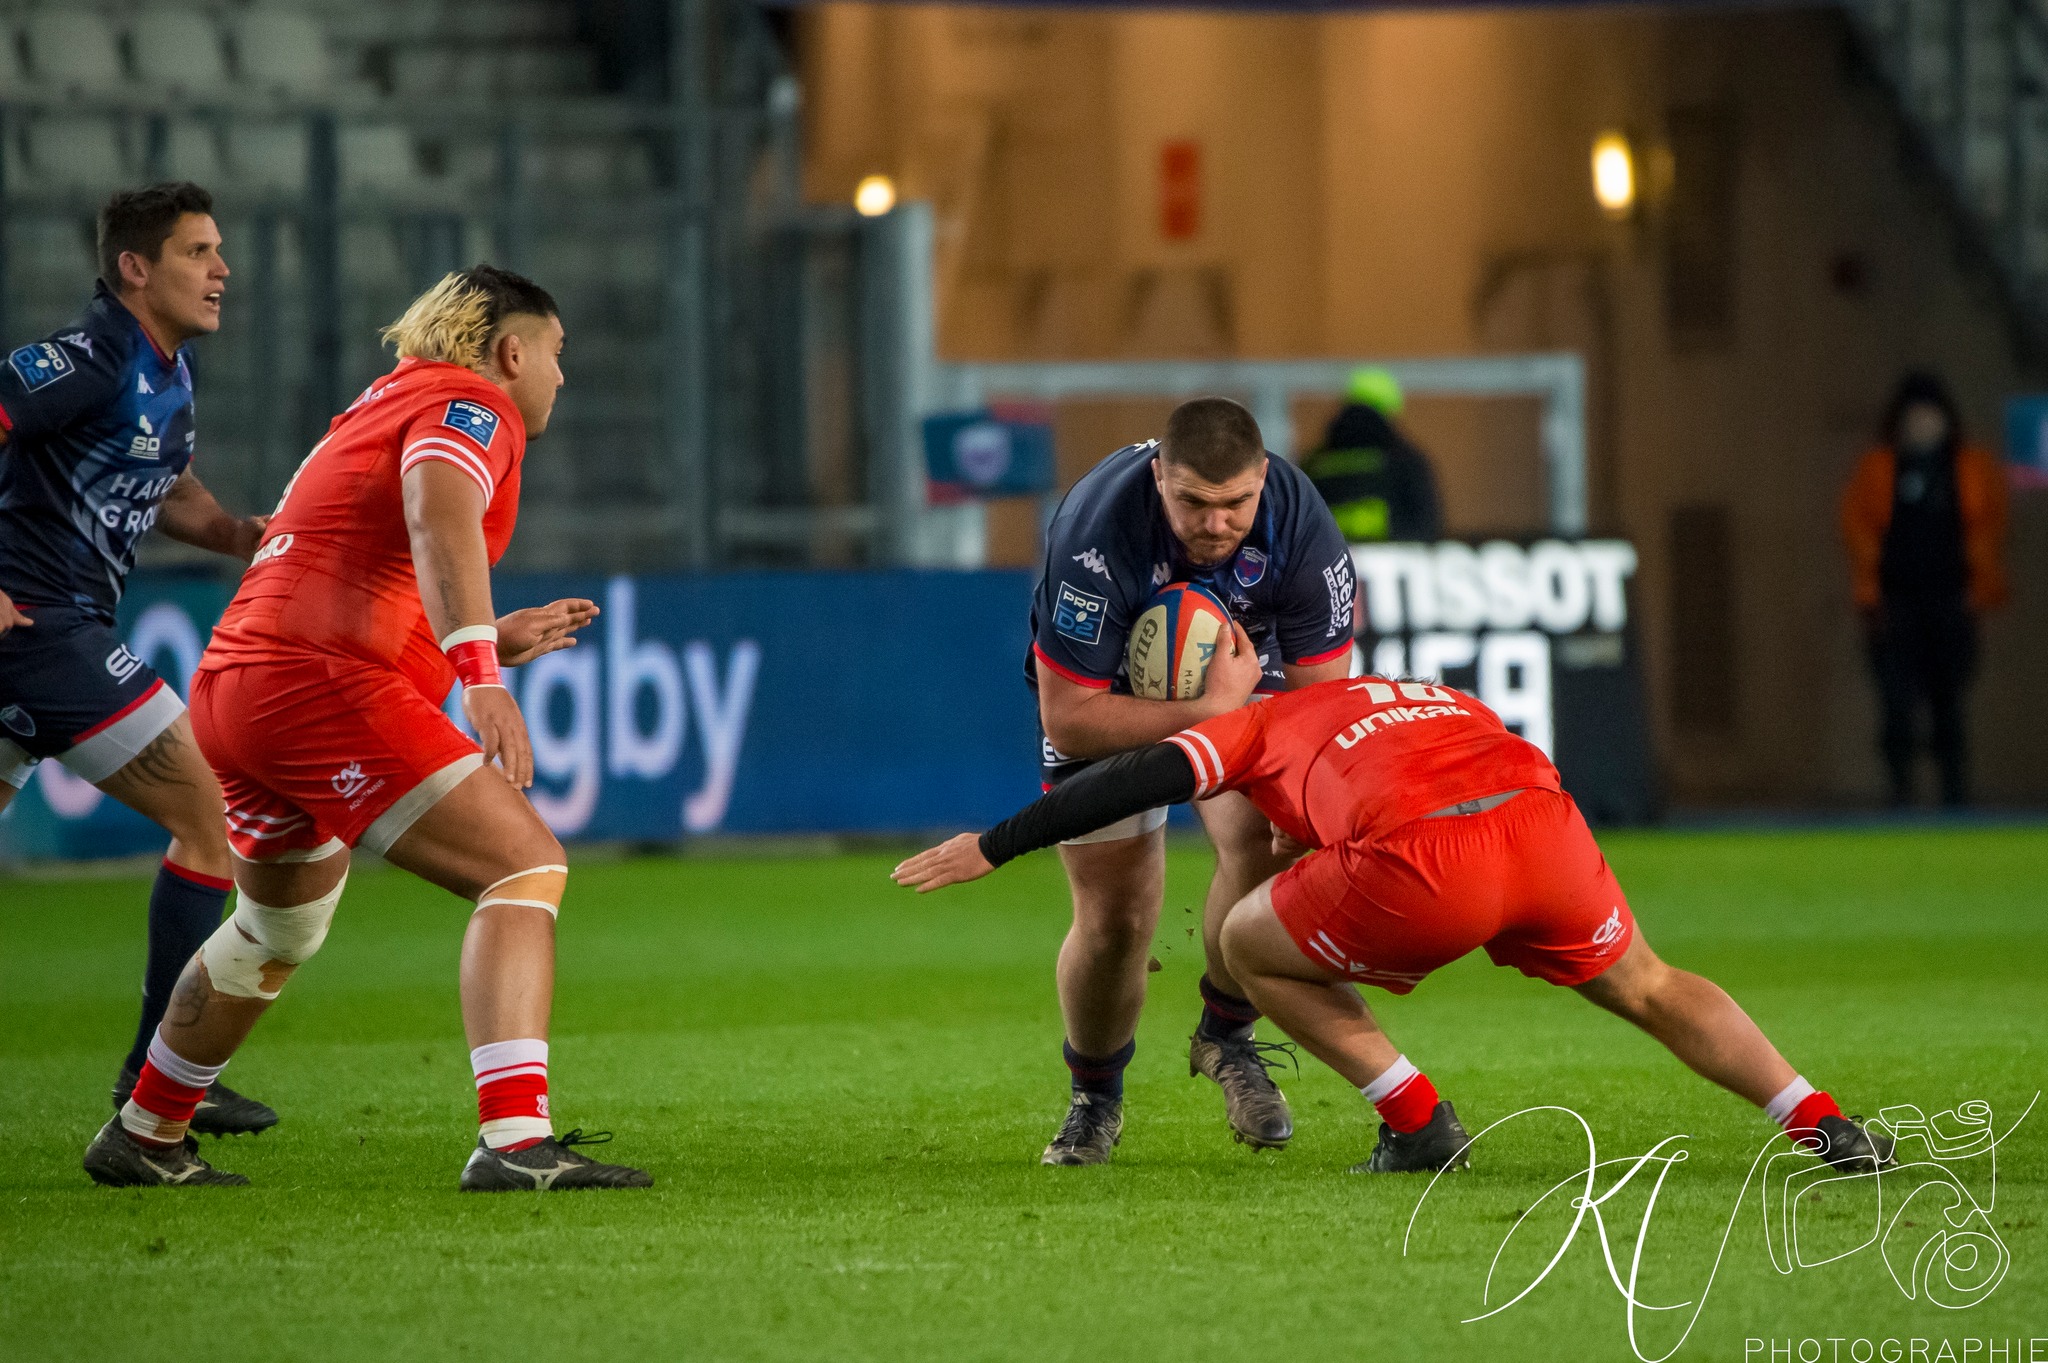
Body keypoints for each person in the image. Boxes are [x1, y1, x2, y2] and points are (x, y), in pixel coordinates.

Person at [81, 266, 651, 1192]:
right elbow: (437, 510)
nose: (560, 375)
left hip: (241, 681)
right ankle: (514, 1141)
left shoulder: (387, 398)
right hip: (312, 684)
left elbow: (364, 561)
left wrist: (485, 634)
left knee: (277, 925)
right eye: (555, 353)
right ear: (511, 351)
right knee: (523, 866)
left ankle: (145, 1130)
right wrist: (479, 669)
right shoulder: (475, 404)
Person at [895, 671, 1894, 1177]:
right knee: (1648, 982)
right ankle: (1820, 1121)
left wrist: (998, 840)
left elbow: (1131, 775)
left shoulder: (1246, 724)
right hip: (1540, 824)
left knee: (1243, 938)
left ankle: (1415, 1122)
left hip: (1425, 862)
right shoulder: (1423, 691)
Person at [0, 183, 278, 1136]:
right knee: (208, 817)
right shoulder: (88, 356)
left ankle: (163, 1072)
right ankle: (160, 1075)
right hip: (40, 630)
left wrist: (237, 531)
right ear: (135, 268)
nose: (221, 269)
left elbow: (161, 478)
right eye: (198, 251)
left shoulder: (164, 372)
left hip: (49, 629)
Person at [1022, 396, 1357, 1164]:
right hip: (1111, 689)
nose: (1216, 524)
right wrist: (1205, 710)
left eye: (1235, 503)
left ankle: (1226, 1035)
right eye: (1193, 503)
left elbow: (1318, 698)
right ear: (1158, 476)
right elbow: (1069, 716)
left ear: (1263, 478)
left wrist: (1296, 794)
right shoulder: (1096, 536)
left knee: (1264, 838)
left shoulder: (1302, 525)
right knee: (1116, 920)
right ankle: (1094, 1098)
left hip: (1246, 667)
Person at [1841, 372, 2008, 808]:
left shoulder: (1968, 466)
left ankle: (1954, 795)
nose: (1922, 426)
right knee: (1897, 703)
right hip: (1898, 604)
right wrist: (1872, 590)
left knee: (1948, 702)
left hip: (1951, 600)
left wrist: (1979, 590)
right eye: (1914, 417)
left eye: (1930, 417)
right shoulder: (1880, 468)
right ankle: (1901, 793)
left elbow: (1990, 525)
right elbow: (1857, 526)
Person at [1301, 367, 1443, 544]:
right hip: (1394, 563)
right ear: (1390, 409)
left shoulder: (1314, 462)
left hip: (1328, 565)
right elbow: (1426, 524)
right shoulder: (1407, 459)